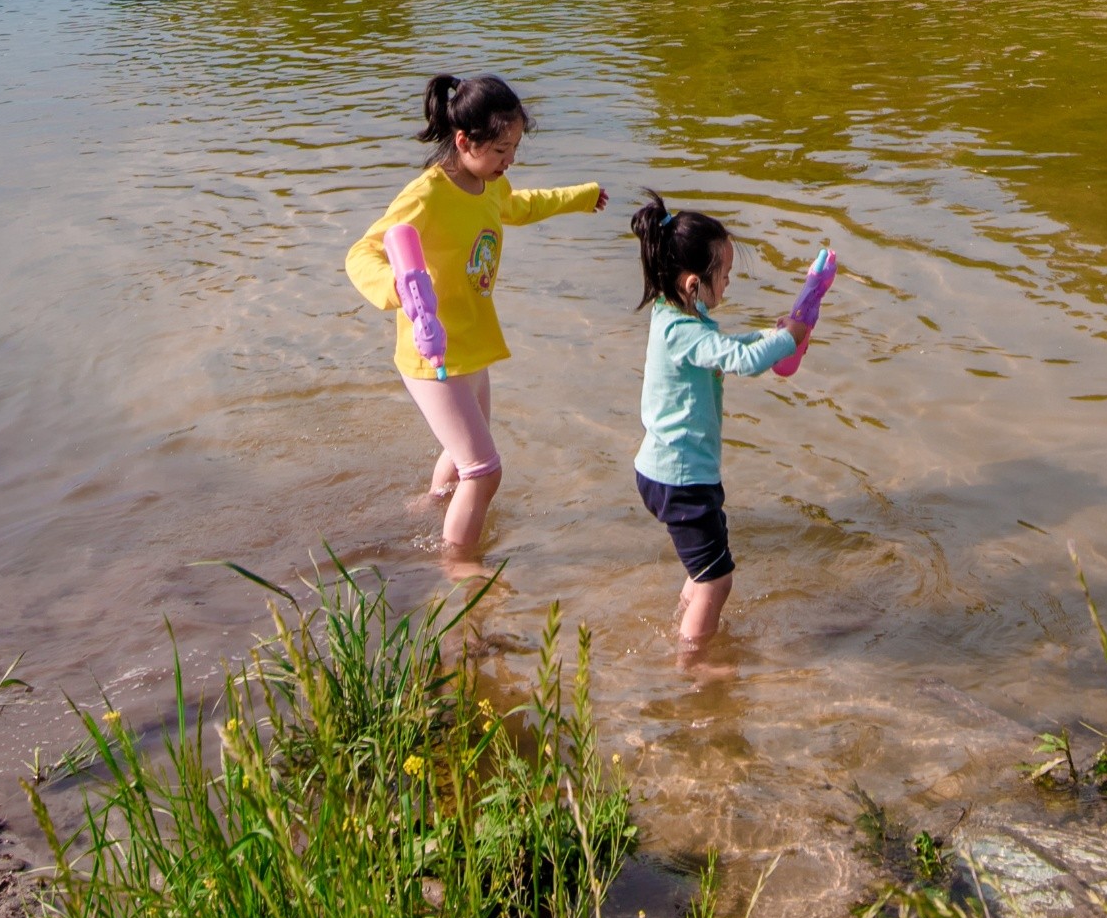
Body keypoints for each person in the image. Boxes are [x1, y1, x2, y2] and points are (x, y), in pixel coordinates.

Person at [343, 73, 605, 562]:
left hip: (472, 347)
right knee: (484, 470)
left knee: (463, 454)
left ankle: (427, 508)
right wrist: (395, 288)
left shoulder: (488, 183)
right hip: (432, 356)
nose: (511, 161)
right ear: (464, 140)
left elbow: (521, 206)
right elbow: (362, 252)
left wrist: (581, 196)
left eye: (515, 149)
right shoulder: (426, 196)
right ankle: (457, 565)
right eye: (502, 149)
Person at [626, 191, 813, 653]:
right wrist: (786, 340)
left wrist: (774, 335)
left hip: (669, 471)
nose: (728, 284)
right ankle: (693, 660)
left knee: (704, 570)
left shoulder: (678, 315)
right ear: (693, 283)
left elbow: (731, 346)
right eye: (724, 276)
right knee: (718, 580)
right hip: (682, 477)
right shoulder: (682, 331)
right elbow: (741, 361)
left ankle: (683, 627)